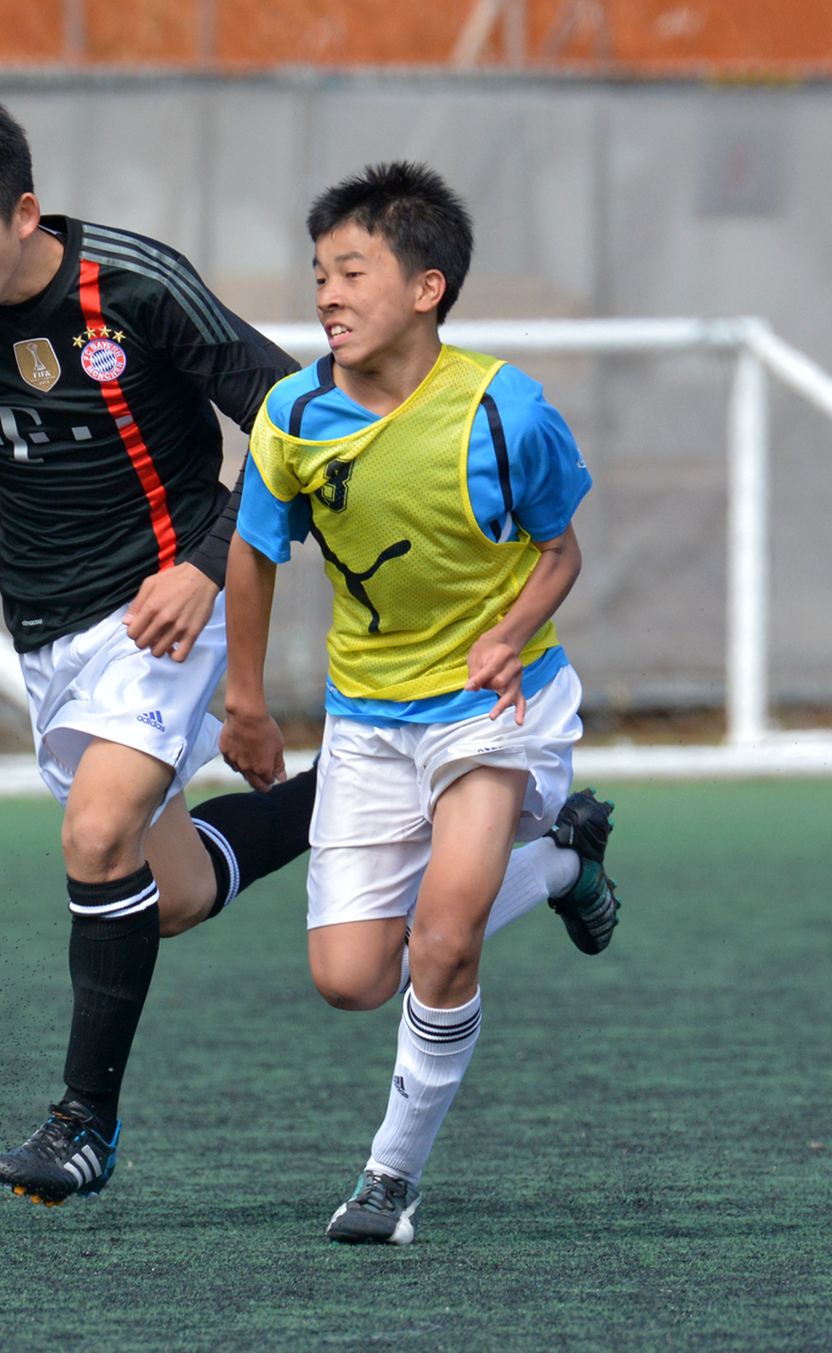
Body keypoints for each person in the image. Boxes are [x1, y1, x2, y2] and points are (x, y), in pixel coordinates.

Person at [0, 95, 317, 1206]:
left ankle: (82, 1125)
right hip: (46, 624)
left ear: (21, 212)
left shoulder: (136, 286)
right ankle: (372, 779)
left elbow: (296, 414)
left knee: (96, 832)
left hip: (165, 606)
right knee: (168, 894)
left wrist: (206, 564)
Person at [219, 161, 623, 1246]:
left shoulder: (504, 411)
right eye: (319, 273)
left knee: (443, 941)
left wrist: (507, 633)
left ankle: (387, 1180)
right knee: (352, 977)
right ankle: (563, 866)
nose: (327, 294)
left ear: (425, 287)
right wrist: (244, 699)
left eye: (352, 271)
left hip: (495, 706)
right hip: (366, 719)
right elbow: (252, 553)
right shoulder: (292, 415)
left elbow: (560, 551)